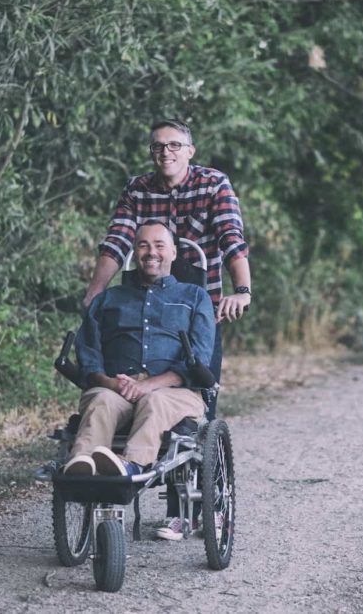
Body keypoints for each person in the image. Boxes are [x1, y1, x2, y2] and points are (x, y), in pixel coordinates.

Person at [82, 118, 251, 414]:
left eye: (174, 145)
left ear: (190, 151)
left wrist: (242, 290)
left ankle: (196, 448)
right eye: (158, 146)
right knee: (125, 382)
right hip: (141, 304)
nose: (166, 152)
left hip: (197, 307)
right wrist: (95, 293)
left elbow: (230, 239)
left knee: (200, 390)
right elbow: (117, 242)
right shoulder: (138, 189)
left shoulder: (213, 184)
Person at [64, 222, 215, 476]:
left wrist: (147, 385)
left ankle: (131, 465)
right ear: (135, 252)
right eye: (143, 245)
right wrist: (110, 383)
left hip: (175, 392)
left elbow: (199, 355)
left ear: (174, 252)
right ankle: (81, 465)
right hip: (117, 388)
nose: (151, 252)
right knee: (101, 400)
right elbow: (89, 353)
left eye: (159, 245)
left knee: (155, 400)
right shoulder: (108, 299)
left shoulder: (195, 297)